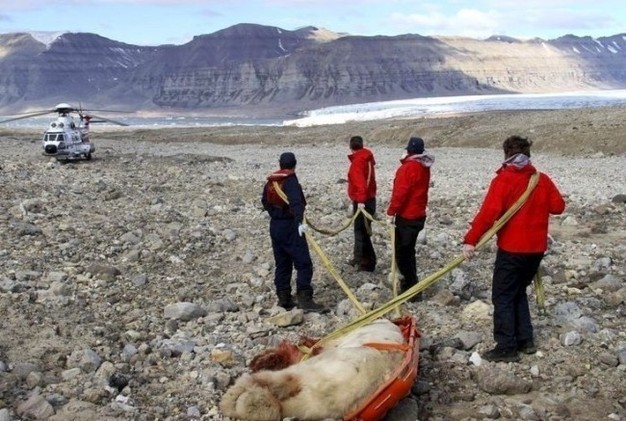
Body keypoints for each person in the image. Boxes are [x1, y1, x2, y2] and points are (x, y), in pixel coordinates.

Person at [462, 135, 565, 363]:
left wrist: (471, 240)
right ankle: (525, 340)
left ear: (506, 154)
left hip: (512, 248)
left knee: (503, 295)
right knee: (517, 291)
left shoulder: (504, 180)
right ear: (528, 154)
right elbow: (558, 207)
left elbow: (488, 214)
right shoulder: (541, 179)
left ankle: (506, 346)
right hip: (536, 249)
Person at [261, 152, 325, 312]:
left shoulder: (271, 181)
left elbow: (264, 201)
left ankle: (284, 298)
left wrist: (276, 214)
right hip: (290, 226)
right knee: (303, 263)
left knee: (282, 263)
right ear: (294, 164)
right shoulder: (290, 181)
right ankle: (305, 299)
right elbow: (296, 202)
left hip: (275, 225)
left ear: (280, 164)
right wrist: (298, 222)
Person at [386, 136, 434, 297]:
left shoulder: (408, 168)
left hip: (407, 216)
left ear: (408, 150)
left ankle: (412, 288)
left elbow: (401, 193)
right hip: (418, 214)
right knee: (408, 251)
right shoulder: (423, 166)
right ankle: (411, 284)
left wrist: (391, 212)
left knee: (403, 253)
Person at [347, 135, 377, 272]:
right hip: (370, 199)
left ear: (351, 146)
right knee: (364, 231)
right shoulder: (367, 159)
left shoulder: (358, 162)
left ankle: (364, 261)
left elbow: (360, 184)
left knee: (360, 231)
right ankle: (362, 259)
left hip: (363, 201)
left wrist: (360, 201)